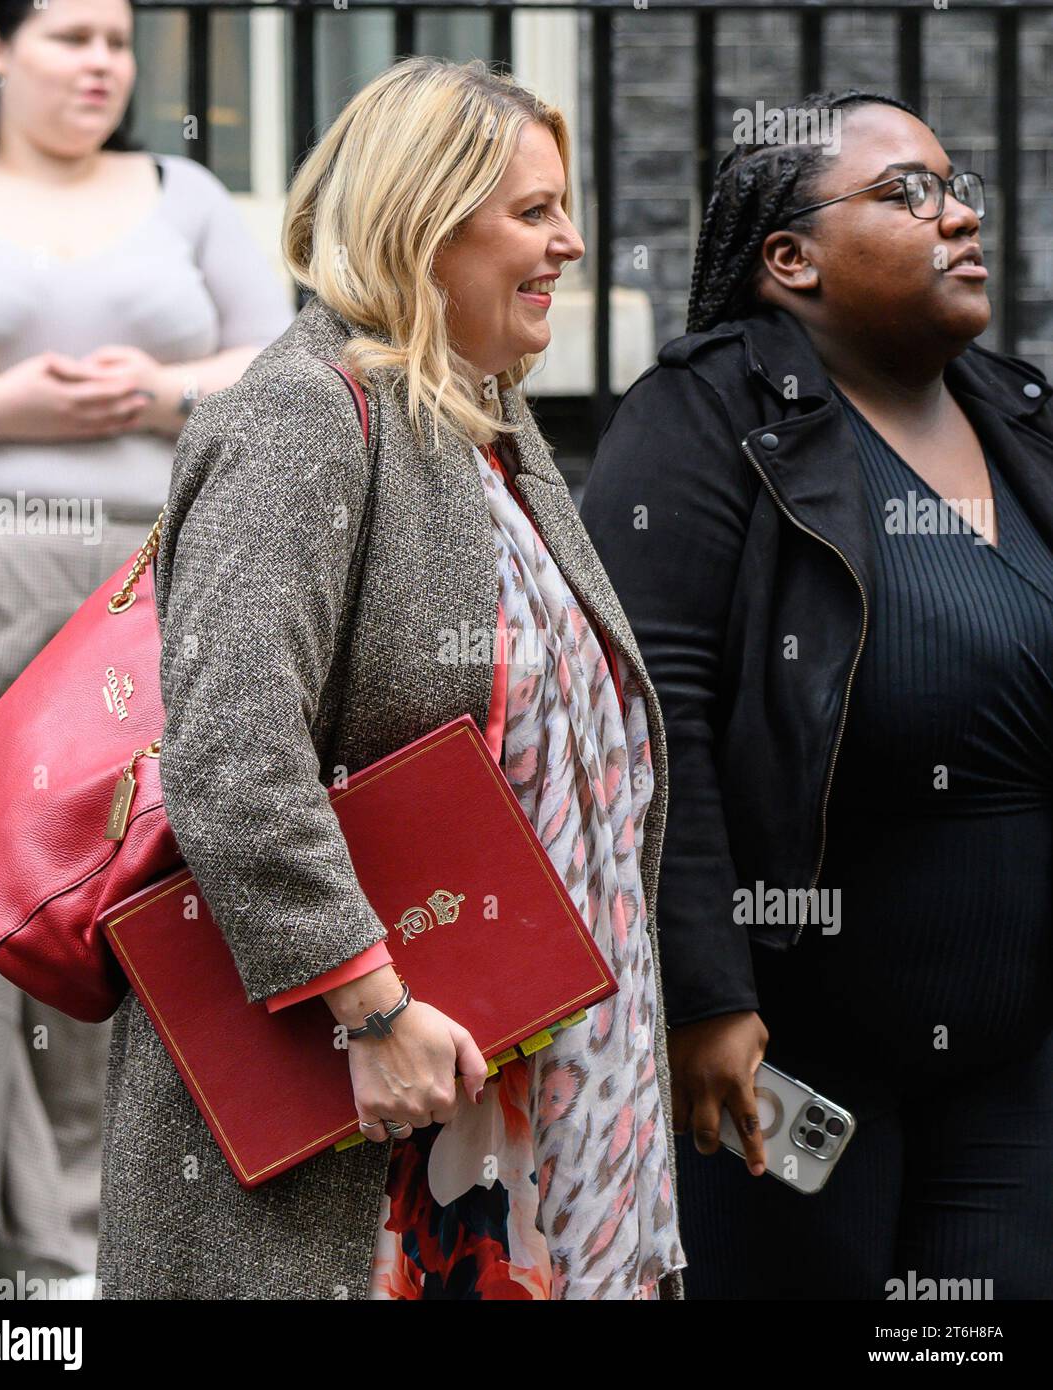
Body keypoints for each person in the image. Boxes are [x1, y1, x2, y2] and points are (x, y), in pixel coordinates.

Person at [95, 55, 687, 1301]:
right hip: (381, 1133)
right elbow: (235, 752)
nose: (572, 243)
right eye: (534, 212)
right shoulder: (301, 416)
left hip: (533, 1112)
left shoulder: (492, 426)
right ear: (423, 221)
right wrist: (369, 1008)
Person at [579, 87, 1053, 1299]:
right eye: (907, 193)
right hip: (793, 1057)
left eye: (960, 189)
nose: (956, 216)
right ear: (789, 260)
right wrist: (704, 995)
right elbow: (654, 712)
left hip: (1014, 1066)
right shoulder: (708, 409)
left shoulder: (1019, 417)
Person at [0, 0, 292, 1299]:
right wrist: (14, 404)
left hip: (150, 610)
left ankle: (85, 1266)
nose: (102, 64)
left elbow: (285, 361)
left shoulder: (181, 190)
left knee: (125, 925)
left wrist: (158, 391)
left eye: (118, 41)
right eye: (71, 35)